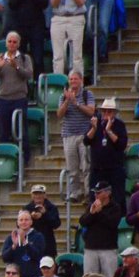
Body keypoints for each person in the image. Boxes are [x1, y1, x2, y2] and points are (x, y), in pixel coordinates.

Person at [0, 32, 34, 163]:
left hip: (19, 99)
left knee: (22, 131)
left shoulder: (25, 58)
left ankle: (25, 160)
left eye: (15, 42)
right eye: (10, 41)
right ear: (6, 43)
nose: (12, 44)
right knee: (3, 131)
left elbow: (29, 74)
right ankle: (5, 160)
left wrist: (17, 66)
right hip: (3, 99)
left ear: (19, 44)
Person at [8, 0, 50, 80]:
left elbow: (44, 4)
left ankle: (38, 86)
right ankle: (21, 86)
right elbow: (12, 5)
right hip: (20, 26)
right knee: (19, 57)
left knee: (37, 58)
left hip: (36, 26)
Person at [57, 71, 96, 202]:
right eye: (71, 79)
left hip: (84, 135)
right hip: (68, 135)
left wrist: (77, 103)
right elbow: (59, 115)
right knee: (72, 167)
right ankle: (75, 192)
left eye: (75, 79)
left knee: (86, 166)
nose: (73, 82)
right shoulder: (63, 96)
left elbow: (91, 111)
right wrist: (68, 101)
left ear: (81, 80)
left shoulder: (87, 94)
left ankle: (87, 192)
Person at [49, 0, 88, 75]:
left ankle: (78, 85)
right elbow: (54, 4)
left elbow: (80, 2)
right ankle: (59, 82)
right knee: (58, 55)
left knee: (76, 54)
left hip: (76, 18)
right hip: (58, 18)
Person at [1, 211, 45, 277]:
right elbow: (5, 258)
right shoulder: (11, 237)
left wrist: (25, 242)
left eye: (26, 220)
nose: (23, 222)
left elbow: (38, 255)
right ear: (17, 222)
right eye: (21, 220)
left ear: (31, 222)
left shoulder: (38, 236)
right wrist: (13, 246)